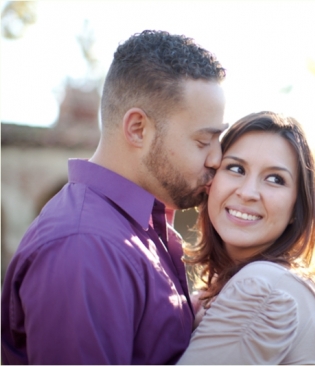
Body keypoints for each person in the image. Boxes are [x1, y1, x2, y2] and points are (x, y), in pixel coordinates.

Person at [1, 30, 227, 364]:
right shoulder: (85, 247)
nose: (217, 158)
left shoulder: (134, 231)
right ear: (138, 128)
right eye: (202, 141)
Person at [178, 111, 315, 365]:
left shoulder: (263, 287)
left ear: (296, 208)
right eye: (236, 168)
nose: (247, 193)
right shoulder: (223, 290)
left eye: (275, 179)